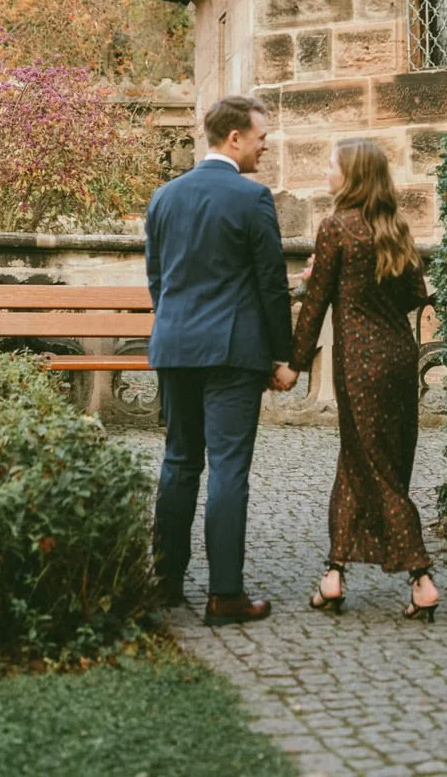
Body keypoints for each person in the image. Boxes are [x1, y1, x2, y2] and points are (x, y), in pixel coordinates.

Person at [274, 139, 440, 622]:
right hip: (398, 360)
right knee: (360, 460)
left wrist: (295, 364)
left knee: (378, 468)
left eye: (333, 166)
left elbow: (315, 306)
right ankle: (334, 573)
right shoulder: (395, 228)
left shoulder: (336, 227)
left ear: (353, 176)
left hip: (360, 366)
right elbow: (414, 296)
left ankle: (421, 577)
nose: (327, 173)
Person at [146, 94, 293, 626]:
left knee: (179, 462)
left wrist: (175, 329)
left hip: (175, 346)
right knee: (228, 468)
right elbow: (271, 284)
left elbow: (157, 279)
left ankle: (165, 582)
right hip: (232, 353)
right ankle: (225, 594)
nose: (265, 146)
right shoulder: (252, 198)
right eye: (261, 137)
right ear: (234, 138)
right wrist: (283, 355)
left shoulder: (164, 197)